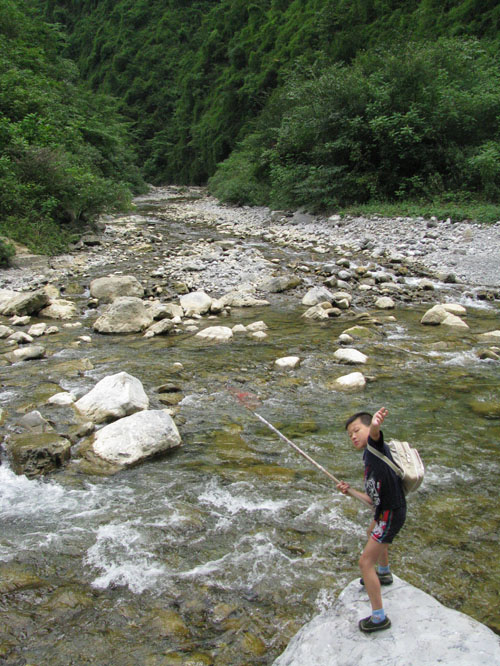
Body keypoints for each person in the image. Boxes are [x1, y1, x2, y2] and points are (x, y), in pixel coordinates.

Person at [337, 407, 406, 633]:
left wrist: (376, 423)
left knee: (365, 563)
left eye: (357, 430)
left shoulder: (376, 446)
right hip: (384, 511)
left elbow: (376, 432)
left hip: (390, 514)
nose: (353, 436)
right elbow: (371, 499)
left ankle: (379, 617)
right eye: (350, 435)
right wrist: (350, 492)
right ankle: (384, 573)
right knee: (371, 533)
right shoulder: (368, 455)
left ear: (368, 428)